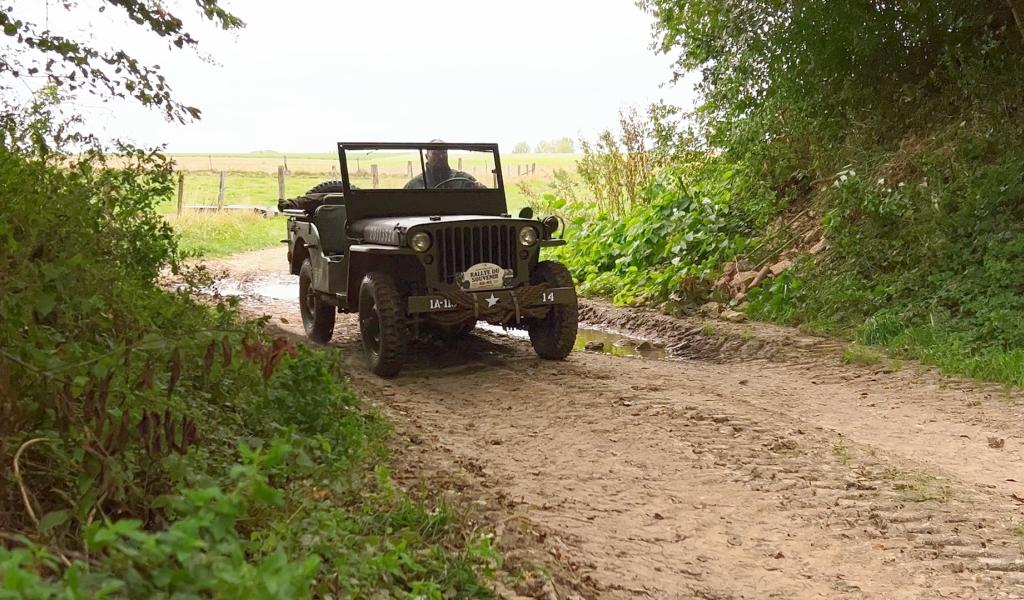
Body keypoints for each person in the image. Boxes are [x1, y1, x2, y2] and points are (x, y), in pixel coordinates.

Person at [404, 140, 485, 189]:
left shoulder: (463, 180)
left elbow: (486, 199)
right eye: (435, 154)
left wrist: (480, 188)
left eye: (444, 153)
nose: (441, 157)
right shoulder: (414, 185)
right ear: (426, 156)